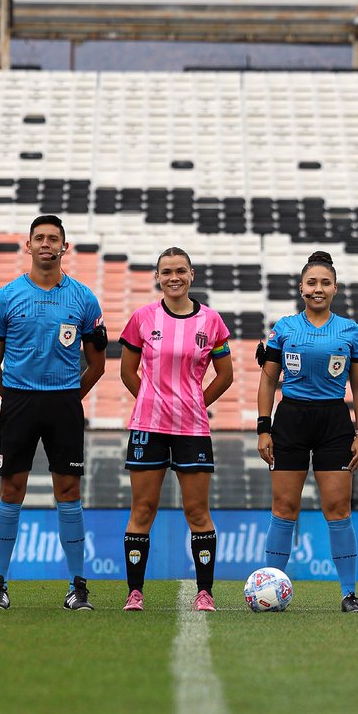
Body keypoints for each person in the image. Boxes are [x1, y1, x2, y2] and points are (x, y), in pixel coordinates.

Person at [0, 215, 107, 610]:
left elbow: (98, 364)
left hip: (65, 403)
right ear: (29, 245)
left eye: (54, 238)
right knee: (11, 490)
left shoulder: (84, 298)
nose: (47, 244)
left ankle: (77, 585)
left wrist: (70, 397)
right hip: (18, 401)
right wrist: (17, 397)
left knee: (68, 492)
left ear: (64, 247)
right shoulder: (5, 297)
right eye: (40, 238)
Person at [119, 247, 234, 612]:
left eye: (180, 271)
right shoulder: (142, 318)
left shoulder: (211, 321)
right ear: (157, 276)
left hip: (192, 429)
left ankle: (205, 592)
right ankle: (134, 593)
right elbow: (126, 371)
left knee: (197, 511)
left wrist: (196, 402)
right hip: (148, 427)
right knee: (143, 508)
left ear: (191, 274)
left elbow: (226, 376)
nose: (173, 277)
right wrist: (151, 401)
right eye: (166, 271)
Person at [257, 250, 358, 612]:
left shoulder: (350, 330)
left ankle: (349, 594)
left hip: (334, 422)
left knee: (337, 507)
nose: (317, 288)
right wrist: (264, 428)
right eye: (311, 283)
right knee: (284, 506)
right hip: (290, 419)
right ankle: (270, 588)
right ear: (301, 287)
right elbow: (268, 379)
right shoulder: (285, 328)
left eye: (324, 283)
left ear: (335, 288)